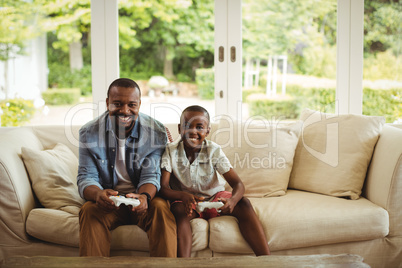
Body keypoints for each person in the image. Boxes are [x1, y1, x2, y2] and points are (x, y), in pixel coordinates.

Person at [77, 78, 177, 257]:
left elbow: (151, 175)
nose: (125, 111)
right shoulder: (89, 132)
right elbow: (86, 177)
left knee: (161, 208)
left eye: (132, 105)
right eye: (117, 104)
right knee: (89, 210)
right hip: (110, 201)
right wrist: (98, 194)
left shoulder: (156, 131)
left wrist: (145, 197)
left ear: (139, 104)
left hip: (142, 198)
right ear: (108, 103)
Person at [159, 105, 271, 257]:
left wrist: (232, 201)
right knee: (178, 211)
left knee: (244, 203)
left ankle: (266, 260)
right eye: (187, 126)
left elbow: (238, 184)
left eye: (199, 127)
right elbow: (163, 187)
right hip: (186, 202)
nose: (193, 131)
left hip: (214, 199)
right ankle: (183, 264)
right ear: (179, 129)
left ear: (207, 131)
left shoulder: (214, 150)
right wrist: (181, 196)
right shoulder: (170, 151)